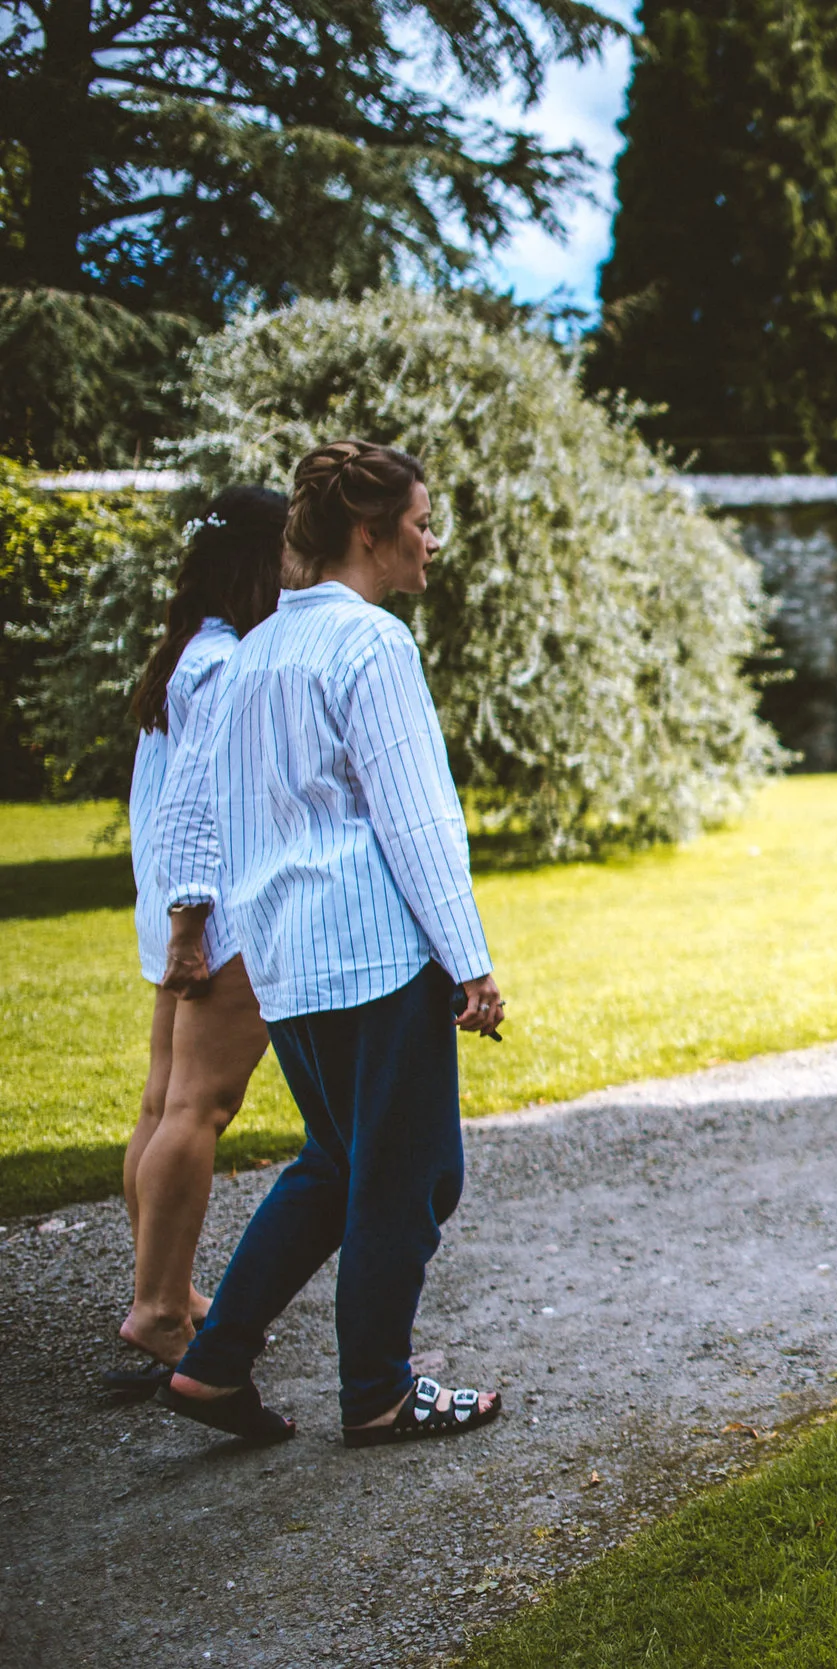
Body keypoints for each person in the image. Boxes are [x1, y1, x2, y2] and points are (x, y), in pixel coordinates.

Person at [156, 439, 507, 1447]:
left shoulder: (256, 648)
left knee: (335, 1160)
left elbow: (210, 809)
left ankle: (216, 1362)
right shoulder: (369, 644)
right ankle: (382, 1391)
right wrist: (469, 959)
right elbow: (415, 816)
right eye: (420, 521)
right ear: (370, 532)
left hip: (286, 960)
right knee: (413, 1171)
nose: (430, 539)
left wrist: (205, 921)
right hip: (369, 951)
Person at [111, 487, 288, 1387]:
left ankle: (166, 1291)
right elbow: (196, 811)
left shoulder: (190, 652)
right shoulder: (225, 664)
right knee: (198, 1109)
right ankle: (159, 1310)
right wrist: (192, 924)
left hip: (179, 915)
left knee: (161, 1104)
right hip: (212, 920)